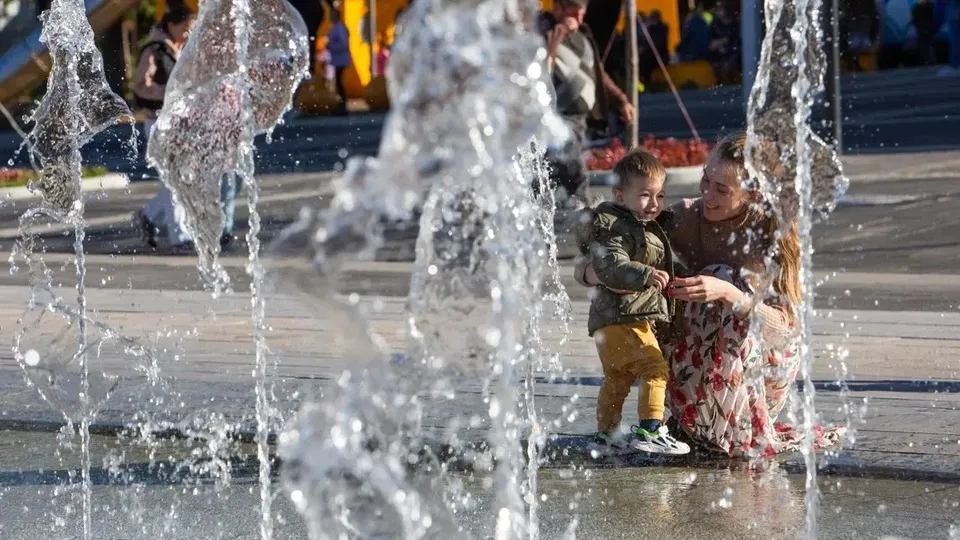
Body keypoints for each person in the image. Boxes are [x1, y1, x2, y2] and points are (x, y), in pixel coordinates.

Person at [576, 133, 844, 457]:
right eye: (706, 179)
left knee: (722, 279)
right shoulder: (684, 217)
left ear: (752, 193)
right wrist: (593, 274)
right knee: (661, 298)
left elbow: (786, 329)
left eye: (721, 189)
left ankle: (725, 426)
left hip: (759, 369)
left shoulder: (772, 234)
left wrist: (731, 294)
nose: (707, 194)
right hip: (698, 362)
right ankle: (690, 421)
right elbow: (608, 247)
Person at [575, 149, 690, 455]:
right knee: (655, 368)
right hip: (623, 317)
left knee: (618, 378)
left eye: (661, 195)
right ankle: (651, 428)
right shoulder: (615, 226)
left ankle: (607, 434)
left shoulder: (637, 223)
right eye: (645, 195)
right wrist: (645, 273)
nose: (654, 203)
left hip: (609, 321)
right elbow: (610, 265)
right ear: (620, 195)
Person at [538, 0, 634, 206]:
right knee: (574, 168)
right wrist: (560, 32)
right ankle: (586, 213)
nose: (579, 20)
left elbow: (598, 73)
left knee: (555, 170)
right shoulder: (545, 33)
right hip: (558, 115)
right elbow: (542, 66)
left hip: (580, 118)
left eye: (582, 15)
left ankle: (564, 209)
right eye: (573, 14)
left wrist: (621, 100)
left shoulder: (584, 37)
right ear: (557, 9)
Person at [132, 3, 197, 251]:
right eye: (186, 29)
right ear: (171, 25)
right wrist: (171, 94)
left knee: (181, 179)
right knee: (174, 180)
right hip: (159, 121)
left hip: (179, 121)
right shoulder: (155, 50)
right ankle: (180, 237)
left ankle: (148, 217)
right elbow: (141, 86)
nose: (189, 35)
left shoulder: (179, 50)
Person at [707, 2, 741, 85]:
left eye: (720, 10)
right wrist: (718, 44)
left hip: (732, 51)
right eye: (717, 10)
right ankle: (720, 82)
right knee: (716, 65)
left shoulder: (734, 23)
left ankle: (731, 81)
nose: (718, 12)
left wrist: (726, 43)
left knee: (729, 65)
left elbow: (736, 40)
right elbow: (711, 39)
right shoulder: (715, 23)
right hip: (718, 52)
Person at [326, 6, 351, 115]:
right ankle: (341, 105)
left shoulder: (339, 28)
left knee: (339, 83)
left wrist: (331, 46)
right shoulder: (335, 27)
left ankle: (343, 105)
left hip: (341, 58)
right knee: (338, 82)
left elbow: (343, 44)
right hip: (337, 59)